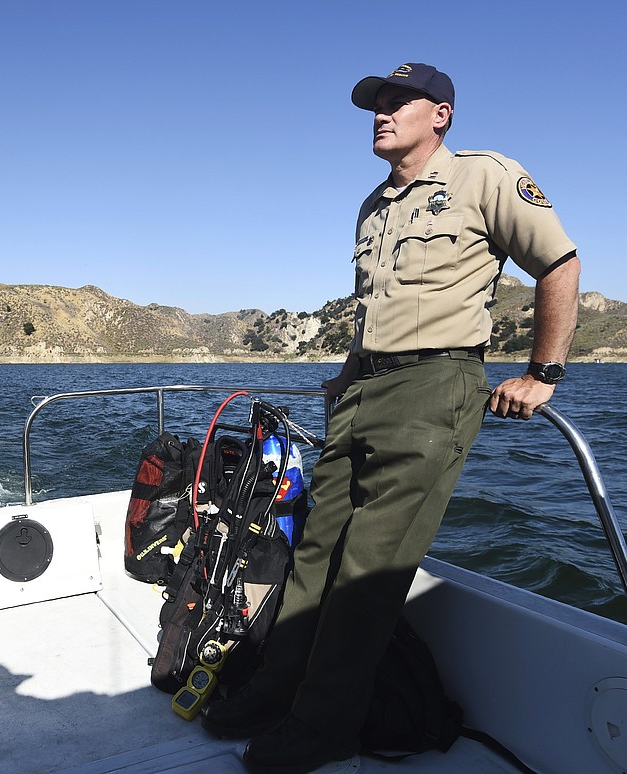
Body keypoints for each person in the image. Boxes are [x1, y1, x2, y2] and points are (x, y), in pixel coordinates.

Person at [201, 63, 581, 773]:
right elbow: (376, 309)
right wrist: (346, 377)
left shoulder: (486, 177)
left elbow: (557, 262)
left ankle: (324, 727)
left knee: (366, 570)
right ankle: (278, 690)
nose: (381, 112)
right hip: (364, 392)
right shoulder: (373, 206)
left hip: (435, 386)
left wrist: (541, 373)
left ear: (440, 113)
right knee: (315, 552)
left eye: (397, 101)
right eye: (375, 104)